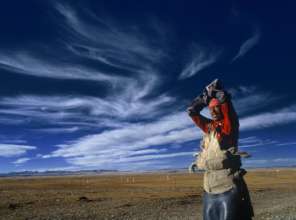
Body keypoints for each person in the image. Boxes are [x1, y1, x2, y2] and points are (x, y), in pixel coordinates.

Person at [187, 79, 254, 220]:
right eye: (210, 109)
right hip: (209, 186)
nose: (213, 111)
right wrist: (204, 98)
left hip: (228, 185)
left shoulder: (229, 126)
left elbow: (224, 102)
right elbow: (192, 112)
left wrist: (216, 92)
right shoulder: (210, 127)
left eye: (216, 108)